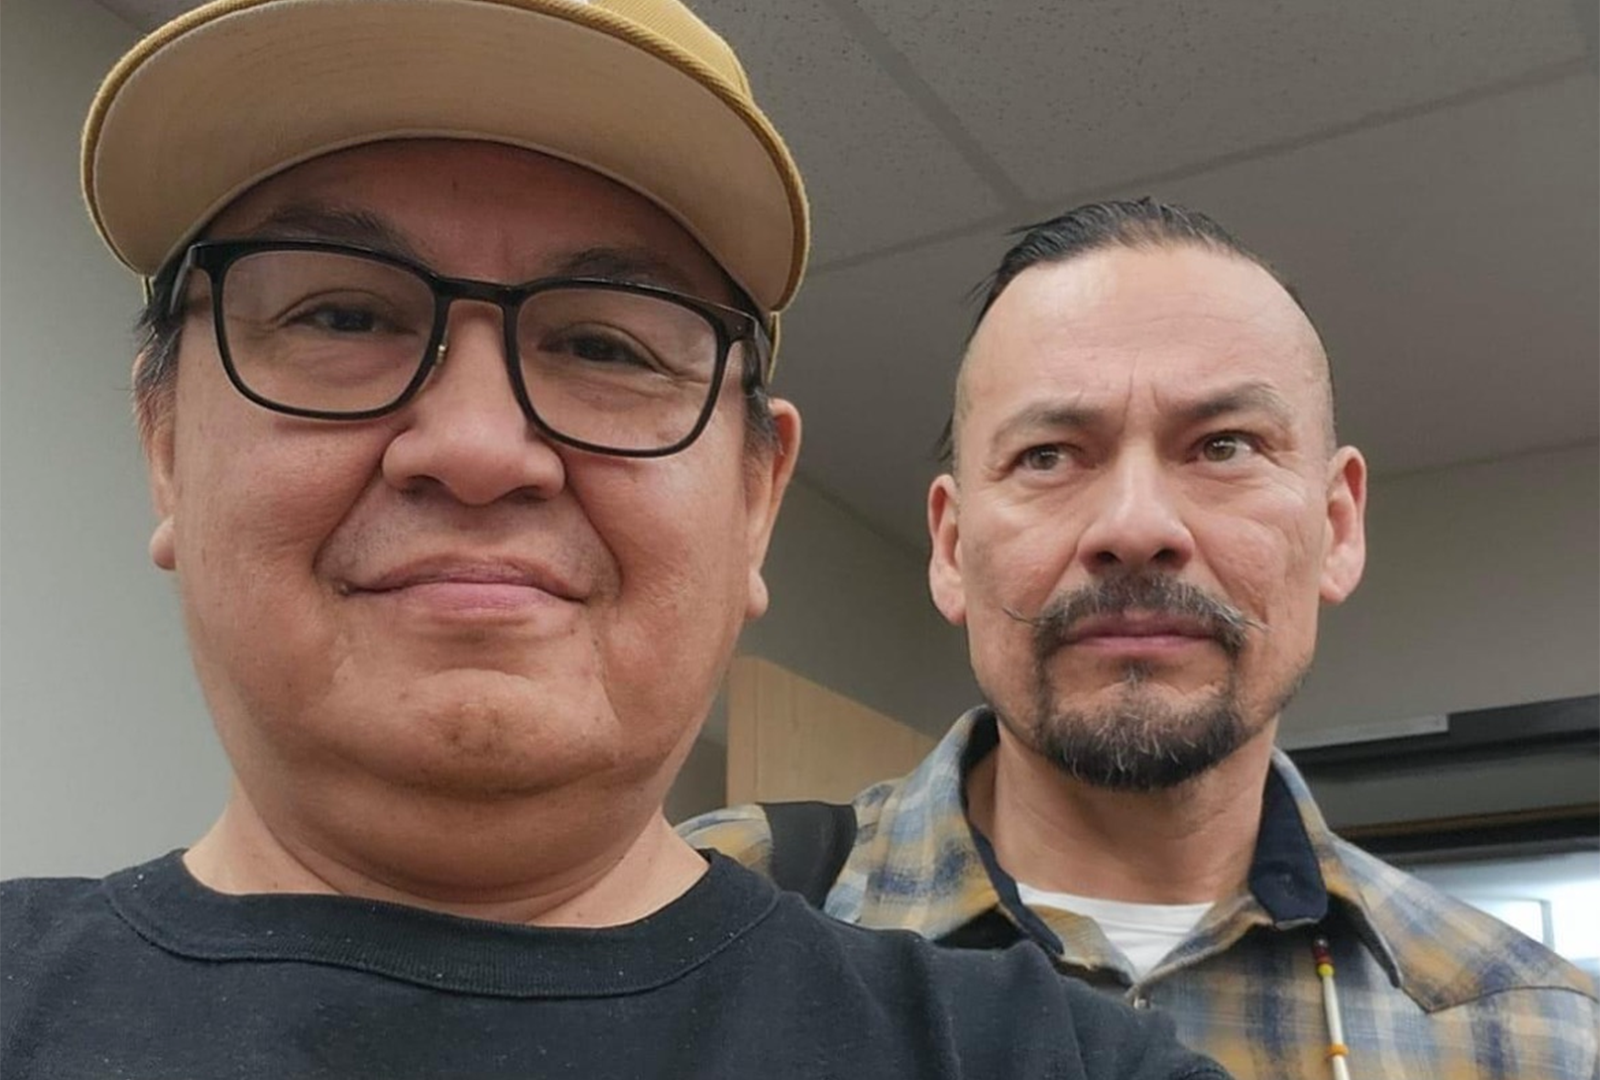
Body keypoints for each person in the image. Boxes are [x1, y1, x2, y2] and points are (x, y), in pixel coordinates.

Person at [0, 6, 1230, 1078]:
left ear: (757, 497)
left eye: (603, 347)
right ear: (165, 447)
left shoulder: (1047, 1060)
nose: (478, 446)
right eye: (340, 313)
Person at [683, 199, 1600, 1080]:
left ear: (1338, 525)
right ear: (953, 550)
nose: (1134, 525)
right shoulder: (688, 912)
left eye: (1224, 445)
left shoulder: (1540, 1033)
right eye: (1048, 455)